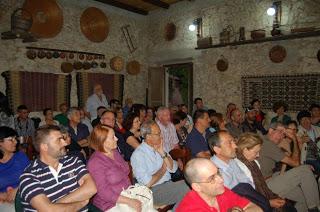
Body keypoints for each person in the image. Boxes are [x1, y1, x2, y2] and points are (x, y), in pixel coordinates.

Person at [19, 125, 97, 211]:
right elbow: (49, 210)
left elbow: (91, 188)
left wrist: (56, 204)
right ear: (44, 147)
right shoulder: (29, 176)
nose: (65, 143)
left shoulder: (72, 161)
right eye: (59, 140)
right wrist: (81, 203)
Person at [258, 122, 320, 212]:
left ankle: (311, 207)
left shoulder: (266, 142)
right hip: (264, 186)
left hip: (271, 179)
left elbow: (291, 163)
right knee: (305, 170)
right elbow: (295, 163)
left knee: (305, 197)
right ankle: (315, 208)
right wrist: (294, 139)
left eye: (284, 134)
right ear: (271, 130)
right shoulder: (268, 144)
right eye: (280, 132)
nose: (282, 136)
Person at [208, 131, 271, 211]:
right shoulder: (211, 171)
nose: (235, 146)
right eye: (229, 143)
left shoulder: (232, 161)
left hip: (250, 201)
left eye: (233, 141)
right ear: (217, 149)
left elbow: (248, 183)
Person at [131, 120, 189, 206]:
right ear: (148, 136)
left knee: (192, 184)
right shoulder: (139, 155)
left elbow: (173, 168)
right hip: (152, 192)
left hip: (168, 184)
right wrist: (162, 169)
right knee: (188, 187)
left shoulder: (159, 147)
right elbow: (148, 183)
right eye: (158, 134)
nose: (161, 136)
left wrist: (162, 152)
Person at [235, 132, 296, 212]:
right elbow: (248, 196)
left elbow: (263, 186)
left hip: (264, 198)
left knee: (290, 207)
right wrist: (268, 202)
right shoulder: (238, 167)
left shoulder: (254, 162)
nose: (258, 155)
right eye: (256, 152)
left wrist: (274, 197)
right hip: (256, 205)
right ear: (245, 149)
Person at [87, 125, 141, 211]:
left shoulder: (114, 151)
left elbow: (125, 172)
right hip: (110, 205)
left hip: (127, 195)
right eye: (113, 137)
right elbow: (104, 192)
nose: (117, 139)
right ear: (103, 141)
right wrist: (130, 201)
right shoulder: (95, 162)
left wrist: (133, 195)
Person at [176, 158, 262, 212]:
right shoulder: (190, 209)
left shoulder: (220, 191)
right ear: (197, 187)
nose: (221, 180)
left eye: (218, 173)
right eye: (212, 178)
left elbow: (255, 208)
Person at [0, 127, 29, 212]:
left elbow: (31, 177)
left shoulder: (21, 156)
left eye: (15, 138)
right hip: (3, 200)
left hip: (23, 195)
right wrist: (4, 196)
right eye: (11, 139)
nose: (16, 142)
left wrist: (17, 190)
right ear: (0, 142)